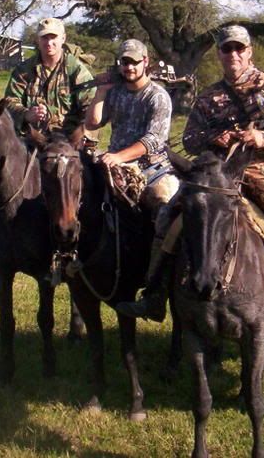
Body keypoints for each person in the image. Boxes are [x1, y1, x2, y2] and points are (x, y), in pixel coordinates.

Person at [178, 25, 264, 350]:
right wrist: (214, 138)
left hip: (263, 174)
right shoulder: (208, 96)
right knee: (169, 217)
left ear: (249, 51)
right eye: (227, 49)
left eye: (239, 48)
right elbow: (189, 139)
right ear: (220, 54)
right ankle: (156, 295)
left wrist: (261, 137)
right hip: (218, 176)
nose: (233, 54)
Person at [0, 17, 96, 246]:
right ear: (38, 40)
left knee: (86, 181)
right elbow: (10, 102)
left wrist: (81, 136)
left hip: (67, 142)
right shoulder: (24, 70)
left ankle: (86, 233)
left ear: (63, 39)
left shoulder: (77, 70)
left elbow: (90, 107)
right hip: (32, 140)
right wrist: (27, 114)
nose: (49, 43)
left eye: (53, 38)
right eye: (45, 38)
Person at [82, 39, 179, 322]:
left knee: (165, 212)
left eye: (135, 62)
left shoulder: (157, 96)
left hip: (153, 170)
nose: (129, 67)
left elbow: (153, 140)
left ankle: (156, 291)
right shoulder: (116, 93)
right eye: (125, 62)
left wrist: (119, 156)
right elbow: (93, 122)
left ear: (145, 62)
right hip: (115, 165)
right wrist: (101, 91)